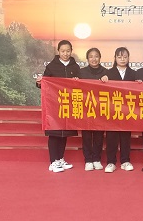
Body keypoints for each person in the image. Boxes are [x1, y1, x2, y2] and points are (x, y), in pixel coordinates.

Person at [38, 40, 80, 173]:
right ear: (58, 51)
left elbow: (81, 85)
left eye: (68, 51)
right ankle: (53, 162)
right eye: (63, 51)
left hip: (68, 105)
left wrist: (78, 82)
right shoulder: (52, 66)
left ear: (71, 51)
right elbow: (44, 83)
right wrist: (39, 82)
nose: (65, 53)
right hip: (54, 105)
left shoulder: (75, 67)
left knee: (64, 133)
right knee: (54, 133)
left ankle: (60, 158)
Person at [104, 47, 137, 173]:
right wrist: (103, 80)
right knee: (111, 137)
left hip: (128, 110)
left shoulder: (134, 74)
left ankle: (125, 161)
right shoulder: (108, 73)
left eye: (125, 57)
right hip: (113, 110)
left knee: (125, 137)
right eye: (119, 57)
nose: (122, 59)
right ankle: (111, 162)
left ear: (128, 58)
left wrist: (139, 83)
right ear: (115, 58)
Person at [79, 47, 109, 171]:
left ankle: (97, 159)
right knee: (86, 135)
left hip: (100, 108)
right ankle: (88, 160)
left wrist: (107, 80)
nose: (94, 59)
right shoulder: (81, 72)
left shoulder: (106, 72)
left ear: (100, 58)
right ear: (87, 59)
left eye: (96, 56)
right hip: (86, 108)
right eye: (91, 56)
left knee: (98, 135)